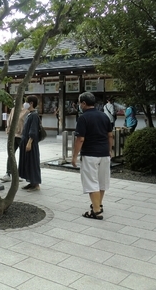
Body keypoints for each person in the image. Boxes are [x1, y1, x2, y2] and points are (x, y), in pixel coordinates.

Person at [71, 92, 113, 220]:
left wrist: (74, 156)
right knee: (102, 181)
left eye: (79, 103)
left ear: (83, 103)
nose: (79, 105)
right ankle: (98, 204)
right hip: (104, 154)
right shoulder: (104, 116)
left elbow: (80, 139)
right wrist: (109, 150)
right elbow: (110, 135)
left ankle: (96, 211)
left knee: (91, 182)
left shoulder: (83, 118)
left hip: (90, 154)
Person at [1, 101, 29, 183]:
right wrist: (8, 130)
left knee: (22, 156)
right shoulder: (13, 110)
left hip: (22, 136)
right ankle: (8, 173)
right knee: (10, 154)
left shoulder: (26, 112)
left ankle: (19, 174)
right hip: (12, 136)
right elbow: (9, 120)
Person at [18, 95, 42, 191]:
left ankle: (36, 184)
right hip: (25, 141)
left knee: (32, 162)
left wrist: (29, 142)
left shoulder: (34, 115)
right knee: (27, 162)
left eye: (26, 102)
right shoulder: (29, 114)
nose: (25, 104)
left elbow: (33, 130)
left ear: (31, 103)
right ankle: (31, 182)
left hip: (30, 142)